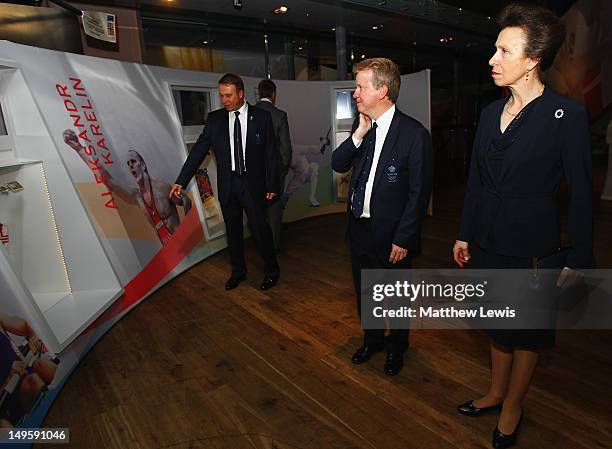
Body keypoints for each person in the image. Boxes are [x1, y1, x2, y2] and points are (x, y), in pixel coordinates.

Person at [453, 4, 593, 448]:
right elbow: (475, 180)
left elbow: (583, 193)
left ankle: (513, 404)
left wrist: (581, 256)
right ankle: (495, 391)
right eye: (494, 49)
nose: (492, 59)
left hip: (533, 246)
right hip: (489, 241)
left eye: (503, 51)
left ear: (532, 60)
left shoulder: (565, 115)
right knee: (498, 323)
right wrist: (463, 231)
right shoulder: (490, 113)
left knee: (526, 331)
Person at [332, 58, 433, 376]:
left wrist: (404, 237)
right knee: (366, 291)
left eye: (360, 86)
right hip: (359, 229)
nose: (355, 93)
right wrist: (358, 135)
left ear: (383, 90)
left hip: (393, 236)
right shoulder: (362, 126)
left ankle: (398, 346)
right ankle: (373, 339)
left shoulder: (414, 134)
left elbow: (419, 194)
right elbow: (338, 163)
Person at [171, 73, 281, 291]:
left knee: (261, 229)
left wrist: (273, 185)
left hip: (253, 184)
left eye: (229, 95)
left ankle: (272, 270)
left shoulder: (261, 117)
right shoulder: (215, 119)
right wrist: (181, 181)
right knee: (233, 231)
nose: (224, 100)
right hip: (229, 185)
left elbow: (272, 154)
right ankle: (238, 272)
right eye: (222, 96)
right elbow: (199, 152)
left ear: (240, 94)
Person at [63, 130, 191, 246]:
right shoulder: (137, 196)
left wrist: (187, 232)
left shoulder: (161, 188)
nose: (130, 166)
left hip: (184, 246)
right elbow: (109, 181)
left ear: (143, 165)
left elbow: (186, 200)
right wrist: (79, 149)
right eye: (128, 164)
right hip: (169, 250)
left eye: (133, 162)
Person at [254, 79, 293, 252]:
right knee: (275, 213)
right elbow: (285, 149)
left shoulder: (249, 113)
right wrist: (281, 172)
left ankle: (261, 246)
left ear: (258, 93)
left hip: (253, 174)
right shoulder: (279, 115)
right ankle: (273, 250)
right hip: (274, 173)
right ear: (274, 94)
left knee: (256, 211)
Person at [0, 312, 58, 426]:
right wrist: (8, 377)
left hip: (22, 372)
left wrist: (32, 336)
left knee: (46, 368)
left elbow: (25, 327)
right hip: (4, 395)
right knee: (33, 381)